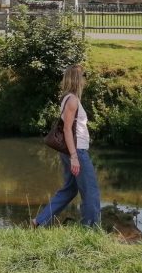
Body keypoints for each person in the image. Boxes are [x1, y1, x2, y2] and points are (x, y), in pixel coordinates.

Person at [32, 64, 101, 228]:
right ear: (78, 79)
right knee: (91, 191)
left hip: (72, 151)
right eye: (83, 76)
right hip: (76, 151)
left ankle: (39, 222)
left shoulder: (69, 98)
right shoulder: (72, 100)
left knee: (69, 190)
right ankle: (90, 229)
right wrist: (75, 157)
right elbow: (67, 130)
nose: (85, 80)